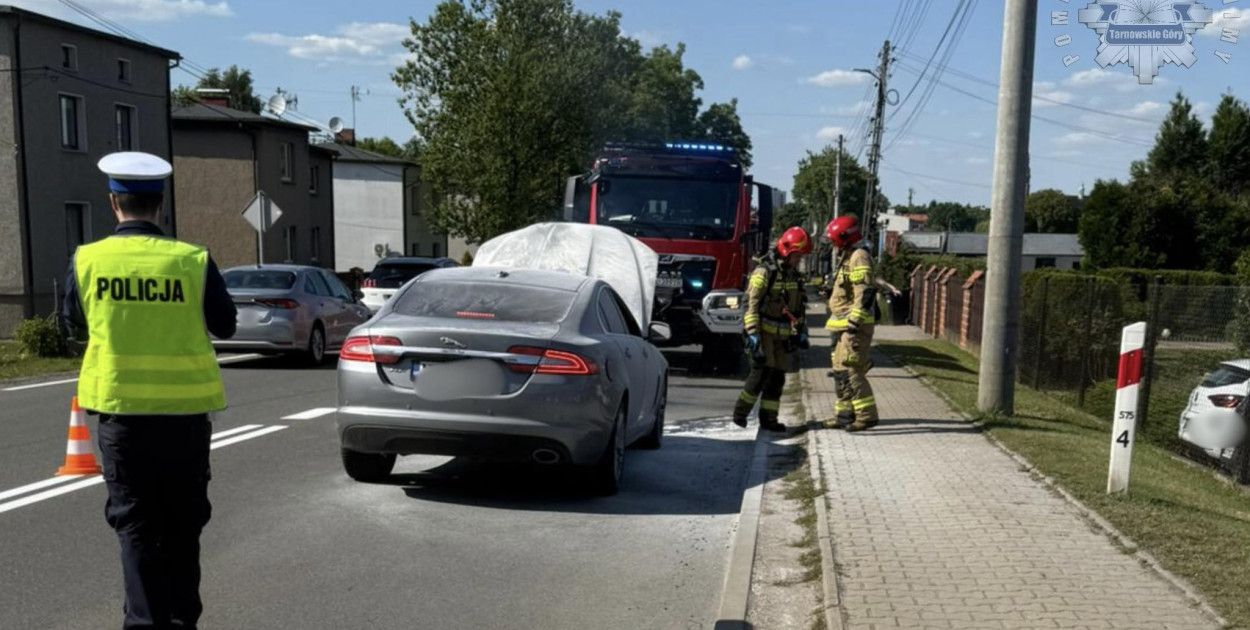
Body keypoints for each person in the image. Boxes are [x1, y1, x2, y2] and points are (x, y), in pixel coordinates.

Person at [61, 152, 237, 630]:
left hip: (123, 422)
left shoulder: (88, 259)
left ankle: (144, 623)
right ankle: (182, 621)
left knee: (135, 529)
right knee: (183, 529)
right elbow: (225, 325)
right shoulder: (193, 261)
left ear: (113, 202)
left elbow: (70, 324)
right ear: (161, 206)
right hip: (185, 424)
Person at [732, 227, 813, 432]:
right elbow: (751, 303)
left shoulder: (794, 276)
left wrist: (802, 331)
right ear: (787, 251)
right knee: (761, 373)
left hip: (783, 336)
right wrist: (752, 333)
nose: (799, 260)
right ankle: (740, 413)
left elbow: (799, 306)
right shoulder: (765, 272)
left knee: (777, 378)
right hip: (764, 332)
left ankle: (769, 420)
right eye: (797, 256)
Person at [824, 216, 878, 431]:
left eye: (834, 239)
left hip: (854, 326)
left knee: (852, 370)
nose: (833, 244)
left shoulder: (859, 256)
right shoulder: (847, 256)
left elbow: (864, 292)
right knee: (840, 371)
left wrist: (854, 322)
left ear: (845, 237)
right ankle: (844, 415)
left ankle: (867, 416)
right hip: (843, 325)